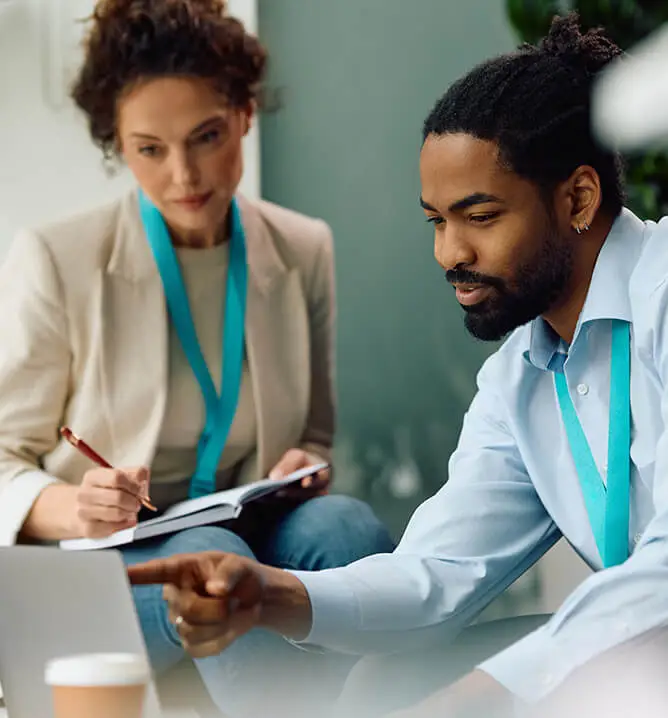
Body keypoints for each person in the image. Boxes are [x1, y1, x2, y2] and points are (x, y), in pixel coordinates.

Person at [129, 14, 668, 718]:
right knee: (389, 679)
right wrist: (271, 595)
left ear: (578, 199)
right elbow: (436, 575)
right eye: (436, 222)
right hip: (639, 652)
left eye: (479, 216)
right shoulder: (521, 376)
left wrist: (493, 691)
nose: (449, 254)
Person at [0, 0, 394, 715]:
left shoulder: (304, 248)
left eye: (206, 137)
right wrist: (74, 508)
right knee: (214, 557)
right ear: (119, 145)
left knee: (350, 528)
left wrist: (302, 464)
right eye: (149, 149)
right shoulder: (58, 260)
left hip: (248, 527)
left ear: (245, 114)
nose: (183, 173)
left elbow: (313, 435)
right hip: (105, 571)